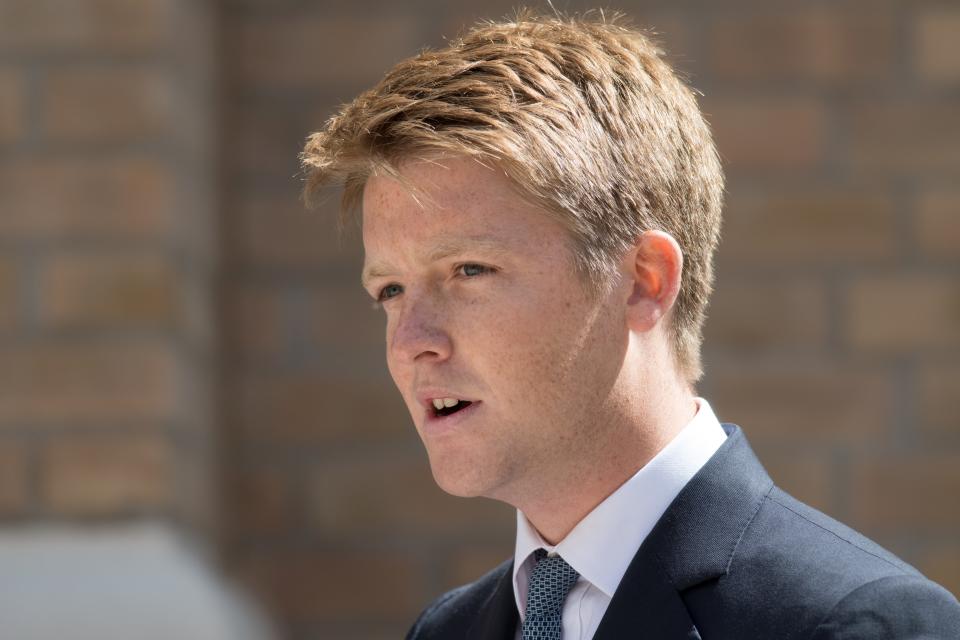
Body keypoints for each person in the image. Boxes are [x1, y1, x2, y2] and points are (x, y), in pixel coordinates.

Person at [299, 12, 960, 640]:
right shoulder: (446, 632)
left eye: (469, 270)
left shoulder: (858, 623)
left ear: (644, 280)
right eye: (389, 289)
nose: (412, 340)